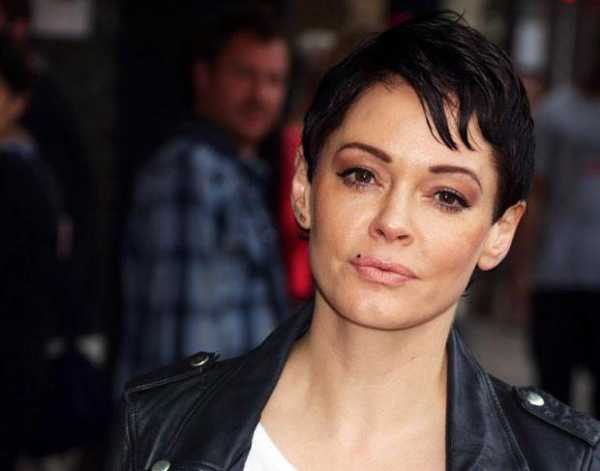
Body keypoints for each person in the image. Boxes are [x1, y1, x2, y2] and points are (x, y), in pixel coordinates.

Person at [108, 12, 600, 471]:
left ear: (500, 232)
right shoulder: (164, 425)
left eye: (447, 196)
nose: (392, 221)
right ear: (304, 187)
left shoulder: (560, 460)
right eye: (362, 175)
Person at [117, 4, 290, 389]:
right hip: (199, 420)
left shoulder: (236, 172)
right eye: (244, 74)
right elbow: (181, 340)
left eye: (274, 80)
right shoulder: (190, 171)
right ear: (203, 76)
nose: (260, 95)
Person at [515, 49, 600, 413]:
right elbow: (536, 195)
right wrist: (523, 271)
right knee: (554, 398)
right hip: (558, 272)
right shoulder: (555, 114)